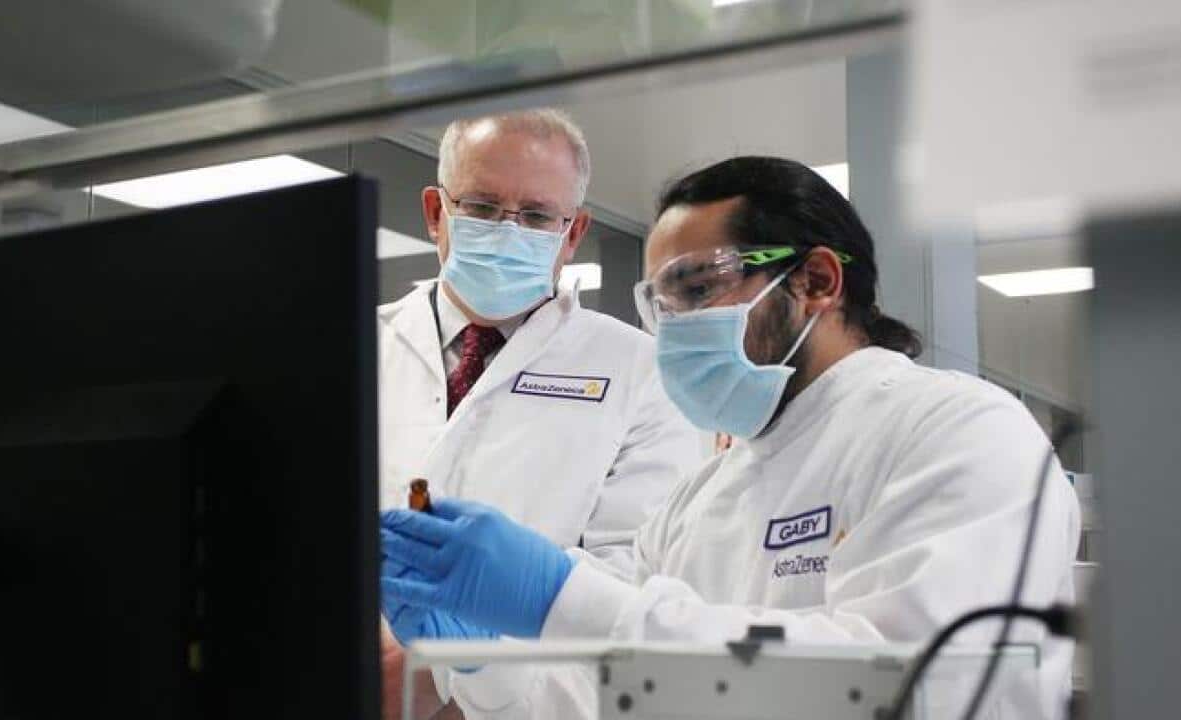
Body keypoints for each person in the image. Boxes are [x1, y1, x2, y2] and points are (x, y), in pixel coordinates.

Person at [381, 156, 1081, 719]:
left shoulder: (960, 431)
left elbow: (910, 688)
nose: (674, 327)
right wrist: (481, 664)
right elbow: (591, 698)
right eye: (661, 302)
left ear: (815, 279)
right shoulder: (701, 497)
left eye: (696, 288)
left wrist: (559, 595)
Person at [376, 109, 702, 718]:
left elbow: (634, 581)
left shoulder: (643, 371)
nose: (507, 230)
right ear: (434, 212)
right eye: (480, 207)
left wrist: (464, 684)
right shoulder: (350, 344)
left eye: (534, 216)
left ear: (573, 232)